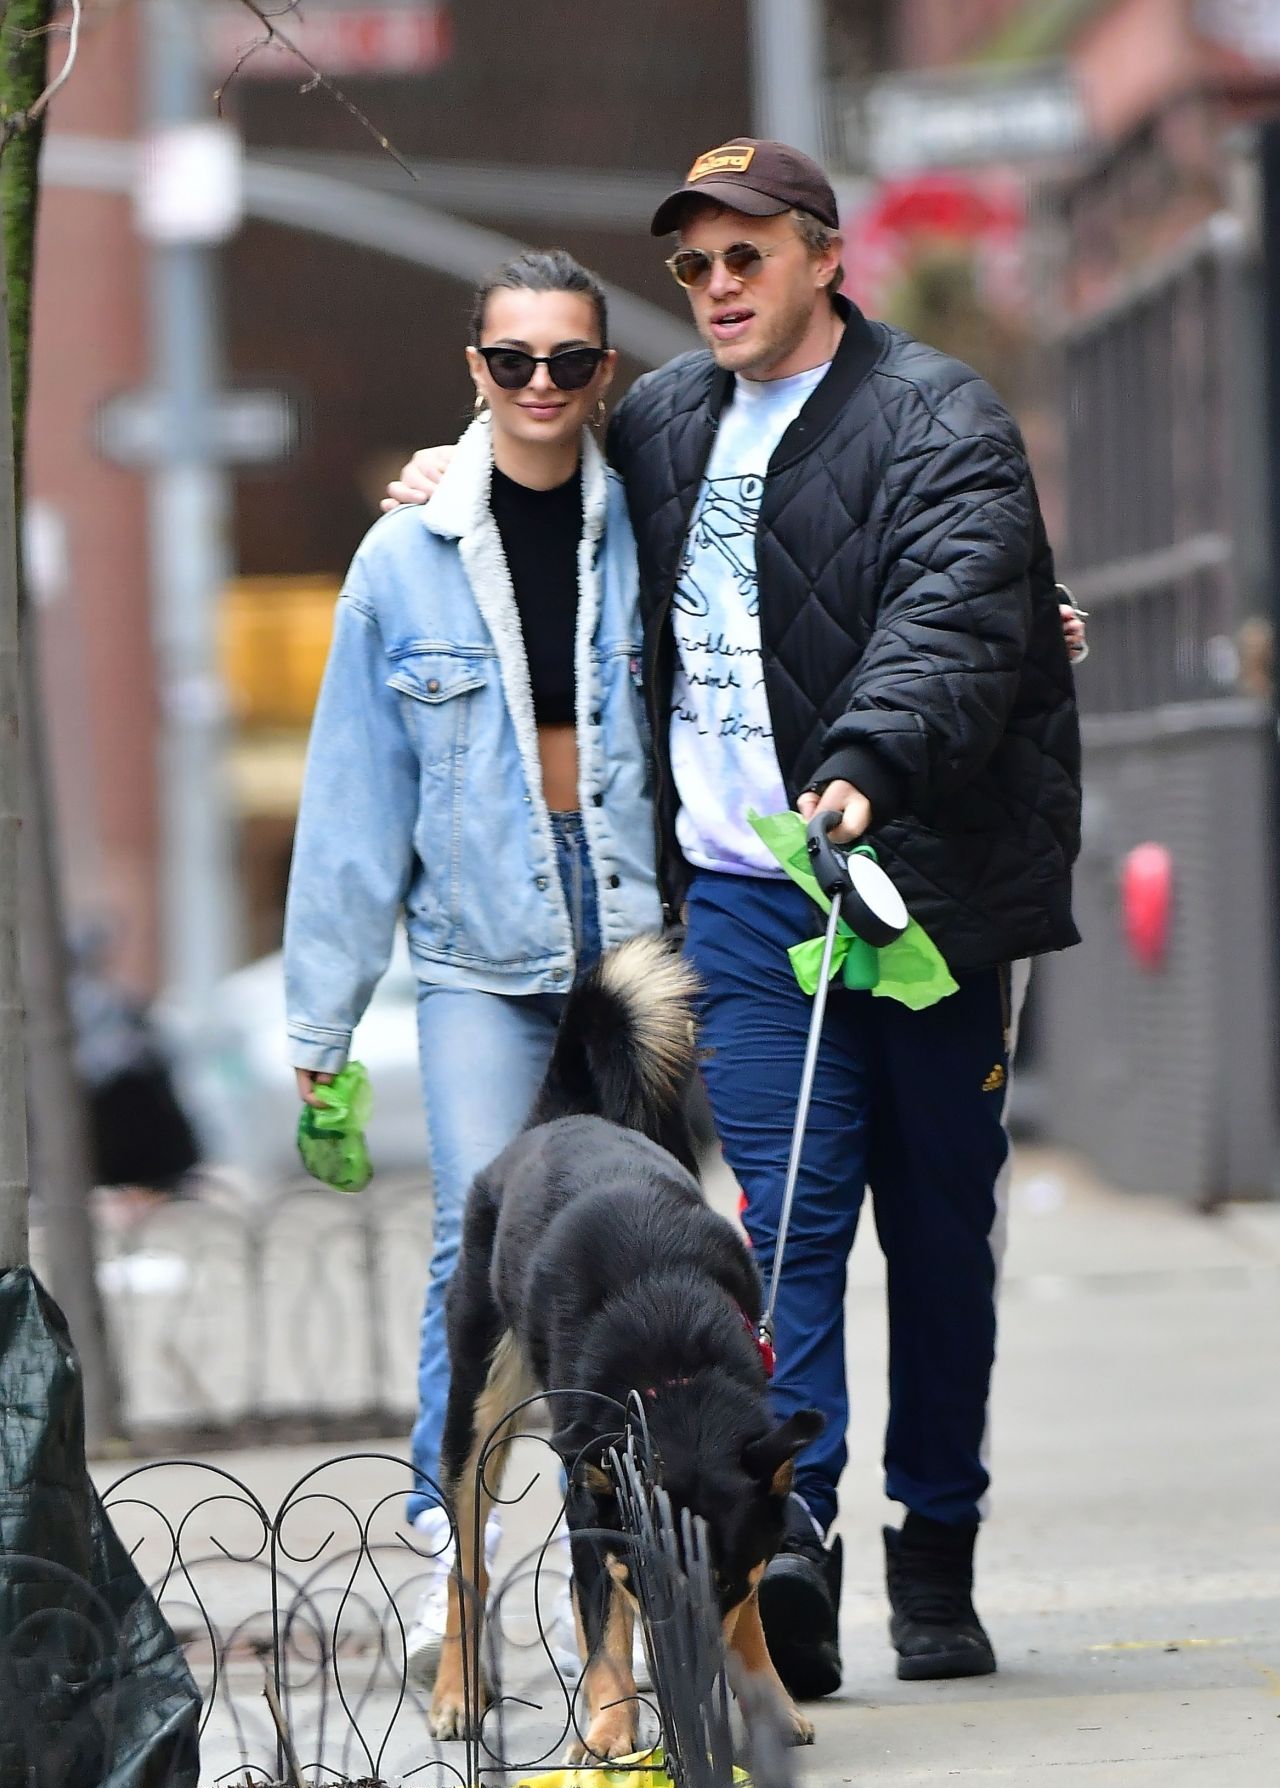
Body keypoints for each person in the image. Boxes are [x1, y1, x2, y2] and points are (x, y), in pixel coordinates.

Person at [385, 139, 1084, 1703]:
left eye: (744, 256)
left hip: (923, 897)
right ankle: (794, 1536)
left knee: (943, 1235)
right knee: (784, 1226)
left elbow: (956, 618)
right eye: (692, 265)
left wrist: (864, 769)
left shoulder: (940, 418)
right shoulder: (662, 423)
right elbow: (544, 452)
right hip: (751, 908)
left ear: (825, 256)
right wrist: (458, 467)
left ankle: (937, 1547)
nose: (714, 288)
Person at [285, 250, 663, 1687]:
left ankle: (618, 1616)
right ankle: (455, 1587)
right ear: (476, 373)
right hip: (474, 952)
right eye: (515, 363)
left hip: (629, 936)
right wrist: (319, 1017)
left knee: (628, 1268)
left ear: (607, 374)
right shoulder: (406, 557)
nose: (544, 388)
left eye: (572, 362)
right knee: (480, 1249)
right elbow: (352, 798)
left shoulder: (653, 521)